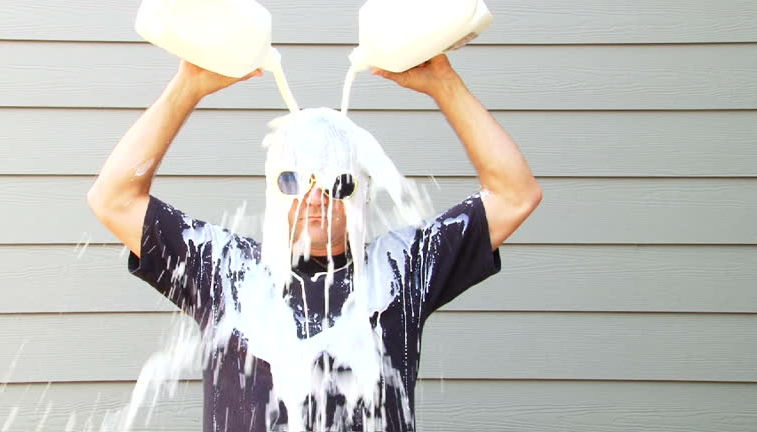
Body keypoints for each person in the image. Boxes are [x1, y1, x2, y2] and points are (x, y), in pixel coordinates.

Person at [87, 54, 542, 432]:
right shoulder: (227, 271)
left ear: (361, 191)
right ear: (272, 187)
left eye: (337, 182)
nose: (315, 197)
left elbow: (514, 195)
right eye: (293, 179)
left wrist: (445, 83)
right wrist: (187, 86)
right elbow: (114, 198)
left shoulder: (401, 270)